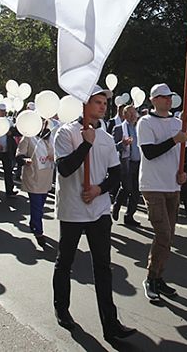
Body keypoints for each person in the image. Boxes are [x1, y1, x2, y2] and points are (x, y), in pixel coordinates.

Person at [52, 86, 134, 341]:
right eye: (97, 102)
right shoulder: (65, 133)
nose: (103, 106)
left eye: (104, 103)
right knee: (66, 261)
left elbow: (116, 175)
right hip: (73, 210)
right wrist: (85, 144)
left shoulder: (107, 138)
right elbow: (64, 169)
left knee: (103, 267)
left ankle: (110, 324)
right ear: (84, 104)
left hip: (99, 210)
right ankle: (62, 309)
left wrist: (99, 189)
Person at [137, 84, 187, 302]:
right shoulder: (145, 122)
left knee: (169, 236)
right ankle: (151, 278)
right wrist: (174, 140)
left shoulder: (178, 123)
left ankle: (158, 277)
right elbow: (149, 152)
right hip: (153, 186)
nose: (168, 100)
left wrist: (184, 171)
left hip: (172, 186)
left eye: (169, 97)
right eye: (163, 97)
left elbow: (186, 150)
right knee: (163, 234)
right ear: (153, 100)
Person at [15, 119, 55, 246]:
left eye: (44, 122)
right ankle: (39, 232)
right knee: (37, 206)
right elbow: (19, 155)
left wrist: (54, 156)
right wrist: (25, 160)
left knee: (40, 205)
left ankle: (34, 223)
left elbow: (57, 153)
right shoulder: (28, 136)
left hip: (46, 177)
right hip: (33, 176)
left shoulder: (50, 137)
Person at [111, 105, 141, 227]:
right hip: (126, 162)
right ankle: (117, 205)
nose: (133, 116)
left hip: (138, 163)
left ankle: (129, 216)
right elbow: (112, 147)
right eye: (130, 113)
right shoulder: (119, 129)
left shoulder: (139, 128)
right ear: (124, 115)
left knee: (136, 192)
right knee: (127, 188)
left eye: (134, 113)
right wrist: (122, 144)